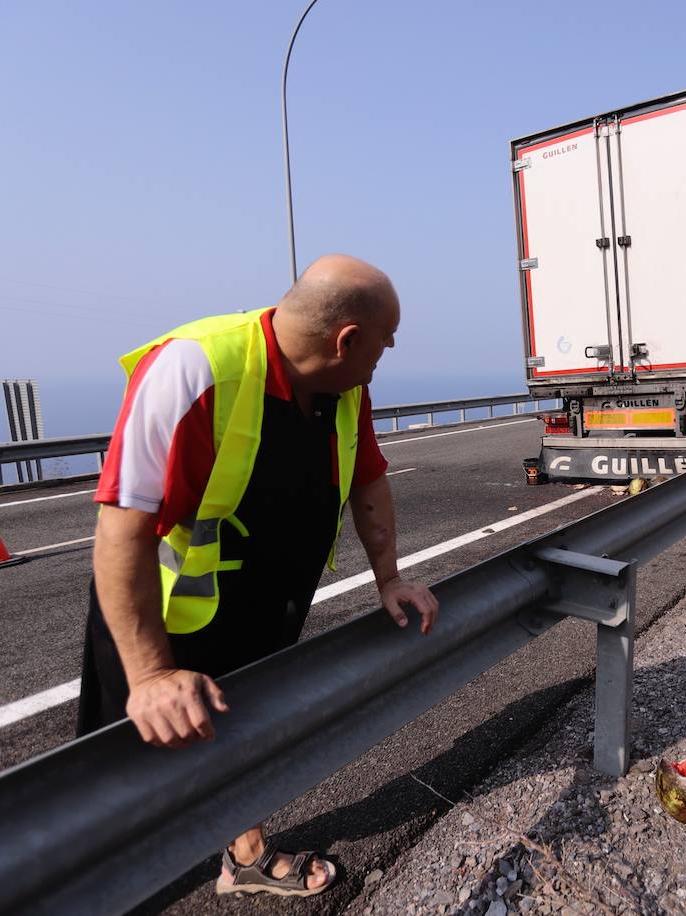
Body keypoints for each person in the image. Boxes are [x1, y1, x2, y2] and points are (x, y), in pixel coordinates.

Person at [76, 254, 439, 898]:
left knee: (245, 733)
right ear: (345, 339)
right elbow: (121, 529)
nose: (384, 357)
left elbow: (369, 477)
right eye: (382, 345)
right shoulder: (196, 368)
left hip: (267, 604)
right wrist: (150, 675)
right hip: (158, 617)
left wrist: (390, 578)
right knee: (122, 782)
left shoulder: (344, 389)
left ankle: (244, 857)